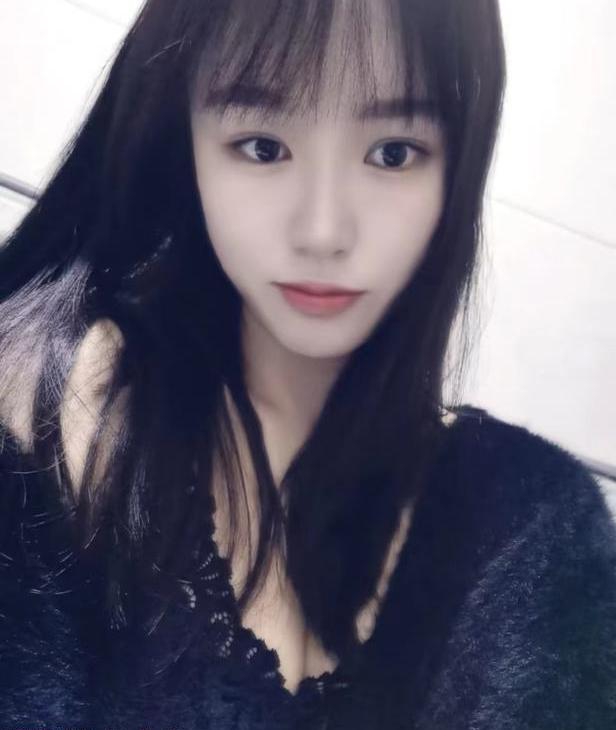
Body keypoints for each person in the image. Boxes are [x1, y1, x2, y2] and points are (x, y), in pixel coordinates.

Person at [0, 0, 615, 728]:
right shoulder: (59, 406)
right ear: (185, 140)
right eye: (263, 147)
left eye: (393, 153)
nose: (323, 231)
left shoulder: (532, 529)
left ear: (459, 164)